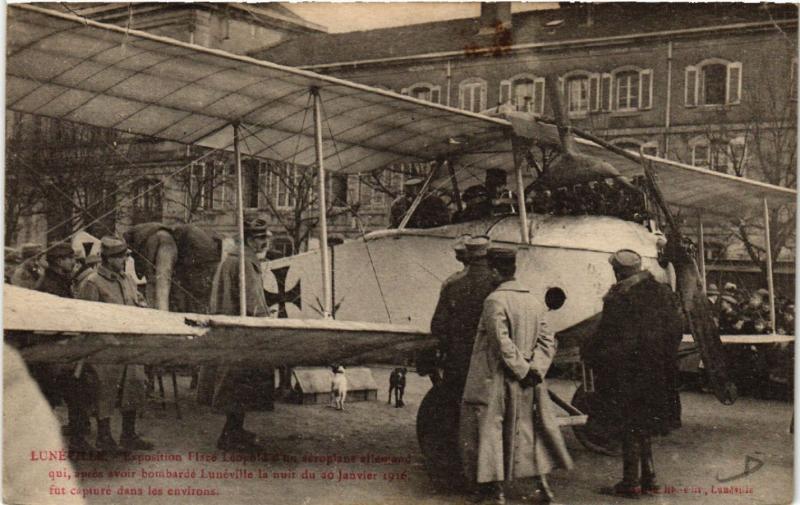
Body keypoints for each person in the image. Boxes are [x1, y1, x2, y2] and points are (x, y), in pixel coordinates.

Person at [460, 247, 572, 504]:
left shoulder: (494, 301)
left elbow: (501, 343)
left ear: (497, 271)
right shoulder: (533, 300)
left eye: (490, 270)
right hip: (528, 380)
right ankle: (542, 488)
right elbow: (547, 340)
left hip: (494, 378)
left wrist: (520, 370)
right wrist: (535, 370)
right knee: (528, 433)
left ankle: (494, 493)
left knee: (489, 434)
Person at [581, 249, 684, 498]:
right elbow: (677, 330)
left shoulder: (620, 297)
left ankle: (631, 482)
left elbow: (609, 338)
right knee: (646, 425)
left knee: (629, 425)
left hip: (628, 374)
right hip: (658, 372)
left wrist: (592, 353)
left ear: (618, 271)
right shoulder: (663, 292)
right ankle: (650, 478)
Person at [76, 236, 153, 453]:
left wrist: (143, 306)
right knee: (105, 392)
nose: (124, 260)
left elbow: (137, 300)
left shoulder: (127, 279)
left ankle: (129, 435)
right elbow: (85, 317)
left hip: (129, 345)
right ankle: (104, 438)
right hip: (105, 349)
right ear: (107, 259)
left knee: (135, 387)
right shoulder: (92, 282)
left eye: (125, 256)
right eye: (119, 257)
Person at [207, 218, 274, 452]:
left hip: (233, 329)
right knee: (239, 384)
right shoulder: (243, 263)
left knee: (238, 384)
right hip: (242, 331)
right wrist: (266, 321)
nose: (264, 242)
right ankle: (230, 435)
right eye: (260, 238)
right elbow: (251, 301)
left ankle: (234, 430)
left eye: (265, 237)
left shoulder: (236, 260)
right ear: (249, 239)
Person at [35, 242, 96, 451]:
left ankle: (73, 438)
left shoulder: (58, 281)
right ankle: (76, 443)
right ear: (59, 261)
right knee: (69, 394)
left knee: (66, 395)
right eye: (70, 258)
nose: (74, 262)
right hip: (55, 350)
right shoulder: (50, 286)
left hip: (60, 349)